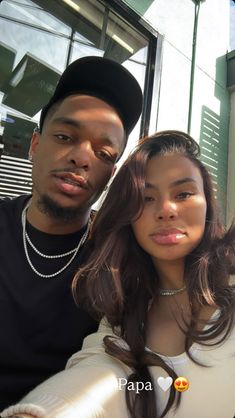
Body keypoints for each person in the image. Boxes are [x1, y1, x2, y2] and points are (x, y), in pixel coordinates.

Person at [2, 130, 235, 418]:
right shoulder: (120, 320)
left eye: (184, 194)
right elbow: (97, 375)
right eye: (146, 198)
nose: (165, 210)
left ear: (207, 204)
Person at [0, 56, 143, 409]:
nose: (82, 157)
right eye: (65, 136)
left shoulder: (118, 259)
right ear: (35, 144)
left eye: (103, 152)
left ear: (109, 175)